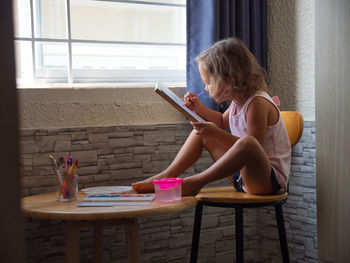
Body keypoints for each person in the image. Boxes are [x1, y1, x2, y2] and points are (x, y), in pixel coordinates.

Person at [132, 37, 291, 196]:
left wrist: (216, 133)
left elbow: (253, 149)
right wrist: (199, 108)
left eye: (208, 82)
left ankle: (196, 182)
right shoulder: (237, 103)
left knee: (248, 142)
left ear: (228, 80)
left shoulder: (257, 103)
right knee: (199, 132)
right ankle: (167, 176)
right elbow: (222, 122)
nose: (206, 88)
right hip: (242, 176)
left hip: (267, 181)